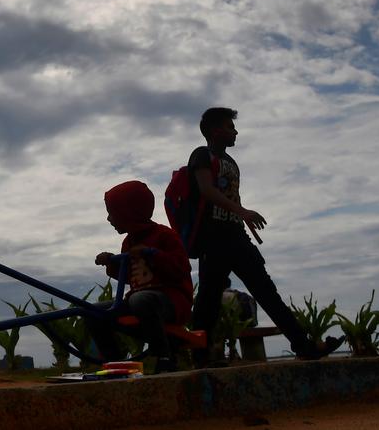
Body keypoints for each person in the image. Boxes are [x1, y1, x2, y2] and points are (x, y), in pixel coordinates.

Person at [187, 107, 342, 362]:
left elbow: (230, 196)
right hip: (213, 240)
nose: (235, 132)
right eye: (230, 127)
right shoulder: (201, 155)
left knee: (266, 291)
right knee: (208, 300)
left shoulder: (231, 163)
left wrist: (242, 218)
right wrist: (243, 211)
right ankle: (200, 357)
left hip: (236, 236)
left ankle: (303, 345)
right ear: (215, 130)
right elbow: (206, 190)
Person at [92, 180, 193, 373]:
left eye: (112, 212)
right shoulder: (128, 242)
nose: (108, 219)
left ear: (130, 212)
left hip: (171, 302)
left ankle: (164, 357)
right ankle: (114, 361)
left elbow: (180, 268)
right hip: (141, 302)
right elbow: (130, 276)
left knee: (141, 300)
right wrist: (112, 263)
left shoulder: (164, 235)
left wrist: (153, 254)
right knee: (93, 312)